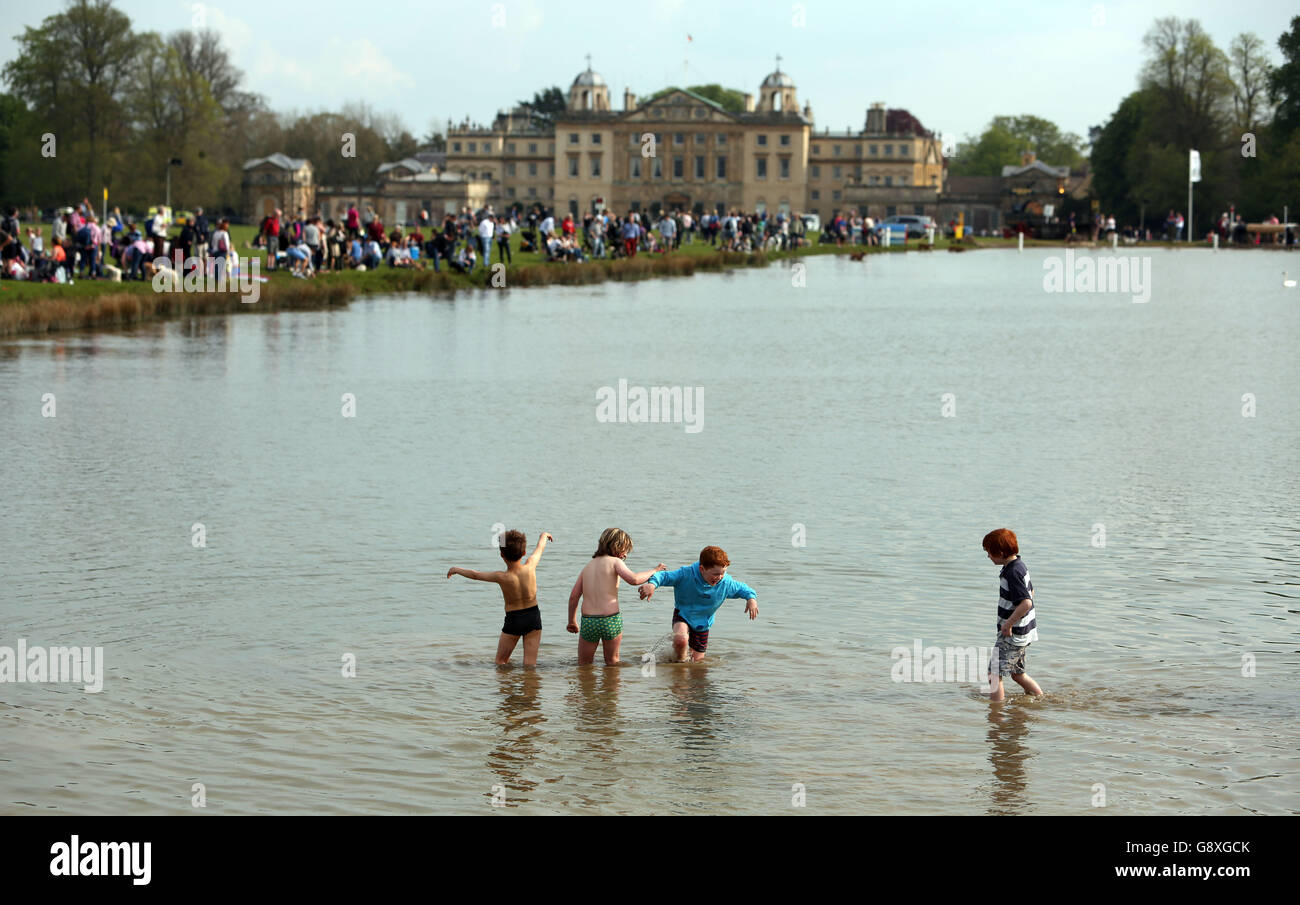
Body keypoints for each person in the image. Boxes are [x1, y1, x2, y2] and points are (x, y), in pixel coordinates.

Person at [447, 530, 553, 666]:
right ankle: (531, 686)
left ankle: (506, 685)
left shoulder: (501, 577)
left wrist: (456, 569)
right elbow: (540, 548)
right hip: (533, 617)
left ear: (502, 555)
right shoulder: (531, 565)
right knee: (530, 665)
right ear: (524, 552)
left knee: (500, 662)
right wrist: (543, 536)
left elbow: (476, 575)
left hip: (514, 620)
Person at [638, 545, 758, 662]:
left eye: (723, 573)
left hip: (703, 624)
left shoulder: (725, 583)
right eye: (716, 574)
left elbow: (743, 589)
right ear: (702, 569)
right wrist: (652, 584)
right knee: (681, 640)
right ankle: (679, 667)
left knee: (697, 664)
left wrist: (751, 599)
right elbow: (663, 576)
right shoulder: (686, 574)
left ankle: (684, 666)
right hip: (683, 615)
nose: (719, 577)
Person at [565, 528, 665, 666]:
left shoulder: (587, 567)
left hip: (589, 621)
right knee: (612, 662)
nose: (625, 555)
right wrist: (654, 570)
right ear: (617, 547)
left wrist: (572, 621)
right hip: (610, 620)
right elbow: (634, 579)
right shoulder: (615, 562)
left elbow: (573, 597)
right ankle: (611, 687)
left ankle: (586, 686)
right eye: (625, 550)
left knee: (584, 663)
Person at [982, 528, 1043, 702]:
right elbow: (1030, 591)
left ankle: (996, 711)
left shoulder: (1012, 572)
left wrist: (1008, 624)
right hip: (1024, 632)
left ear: (1000, 553)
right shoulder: (1020, 565)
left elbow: (1026, 602)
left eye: (989, 553)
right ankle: (1039, 698)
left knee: (993, 673)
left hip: (1012, 633)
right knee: (1017, 674)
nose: (988, 557)